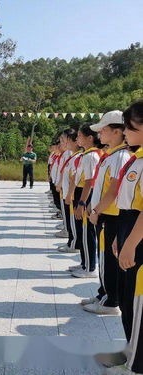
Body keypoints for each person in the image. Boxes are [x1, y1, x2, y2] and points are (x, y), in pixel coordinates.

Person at [105, 101, 143, 375]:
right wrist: (122, 237)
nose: (126, 132)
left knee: (138, 303)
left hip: (139, 238)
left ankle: (137, 365)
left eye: (131, 127)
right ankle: (131, 350)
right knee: (129, 301)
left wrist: (130, 243)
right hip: (129, 229)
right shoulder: (137, 158)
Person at [83, 111, 129, 315]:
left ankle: (112, 301)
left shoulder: (120, 156)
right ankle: (104, 293)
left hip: (112, 215)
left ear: (118, 132)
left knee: (109, 260)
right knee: (104, 257)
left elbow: (113, 190)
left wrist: (96, 210)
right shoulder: (110, 155)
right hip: (105, 214)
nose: (99, 134)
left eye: (103, 130)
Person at [70, 124, 102, 278]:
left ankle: (90, 268)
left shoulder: (92, 155)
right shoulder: (87, 154)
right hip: (82, 192)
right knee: (83, 232)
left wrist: (82, 203)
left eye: (80, 136)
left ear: (90, 138)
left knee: (87, 232)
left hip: (86, 194)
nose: (77, 139)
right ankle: (84, 263)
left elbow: (90, 182)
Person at [59, 129, 83, 254]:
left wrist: (69, 194)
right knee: (71, 222)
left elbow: (75, 178)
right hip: (69, 193)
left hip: (72, 195)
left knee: (74, 223)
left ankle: (74, 244)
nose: (64, 143)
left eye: (67, 140)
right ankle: (72, 242)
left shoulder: (77, 157)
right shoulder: (73, 156)